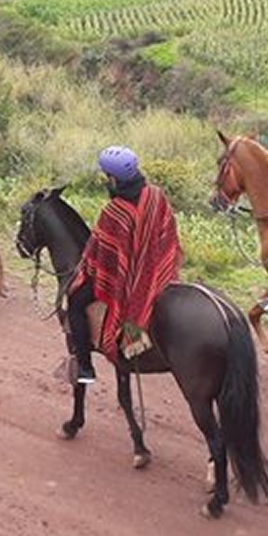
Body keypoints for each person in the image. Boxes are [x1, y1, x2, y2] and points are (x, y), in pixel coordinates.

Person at [64, 147, 182, 385]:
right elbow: (168, 234)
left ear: (113, 179)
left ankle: (85, 368)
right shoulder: (156, 195)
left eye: (108, 177)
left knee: (75, 301)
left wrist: (87, 268)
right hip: (158, 271)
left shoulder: (114, 211)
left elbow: (100, 257)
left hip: (126, 284)